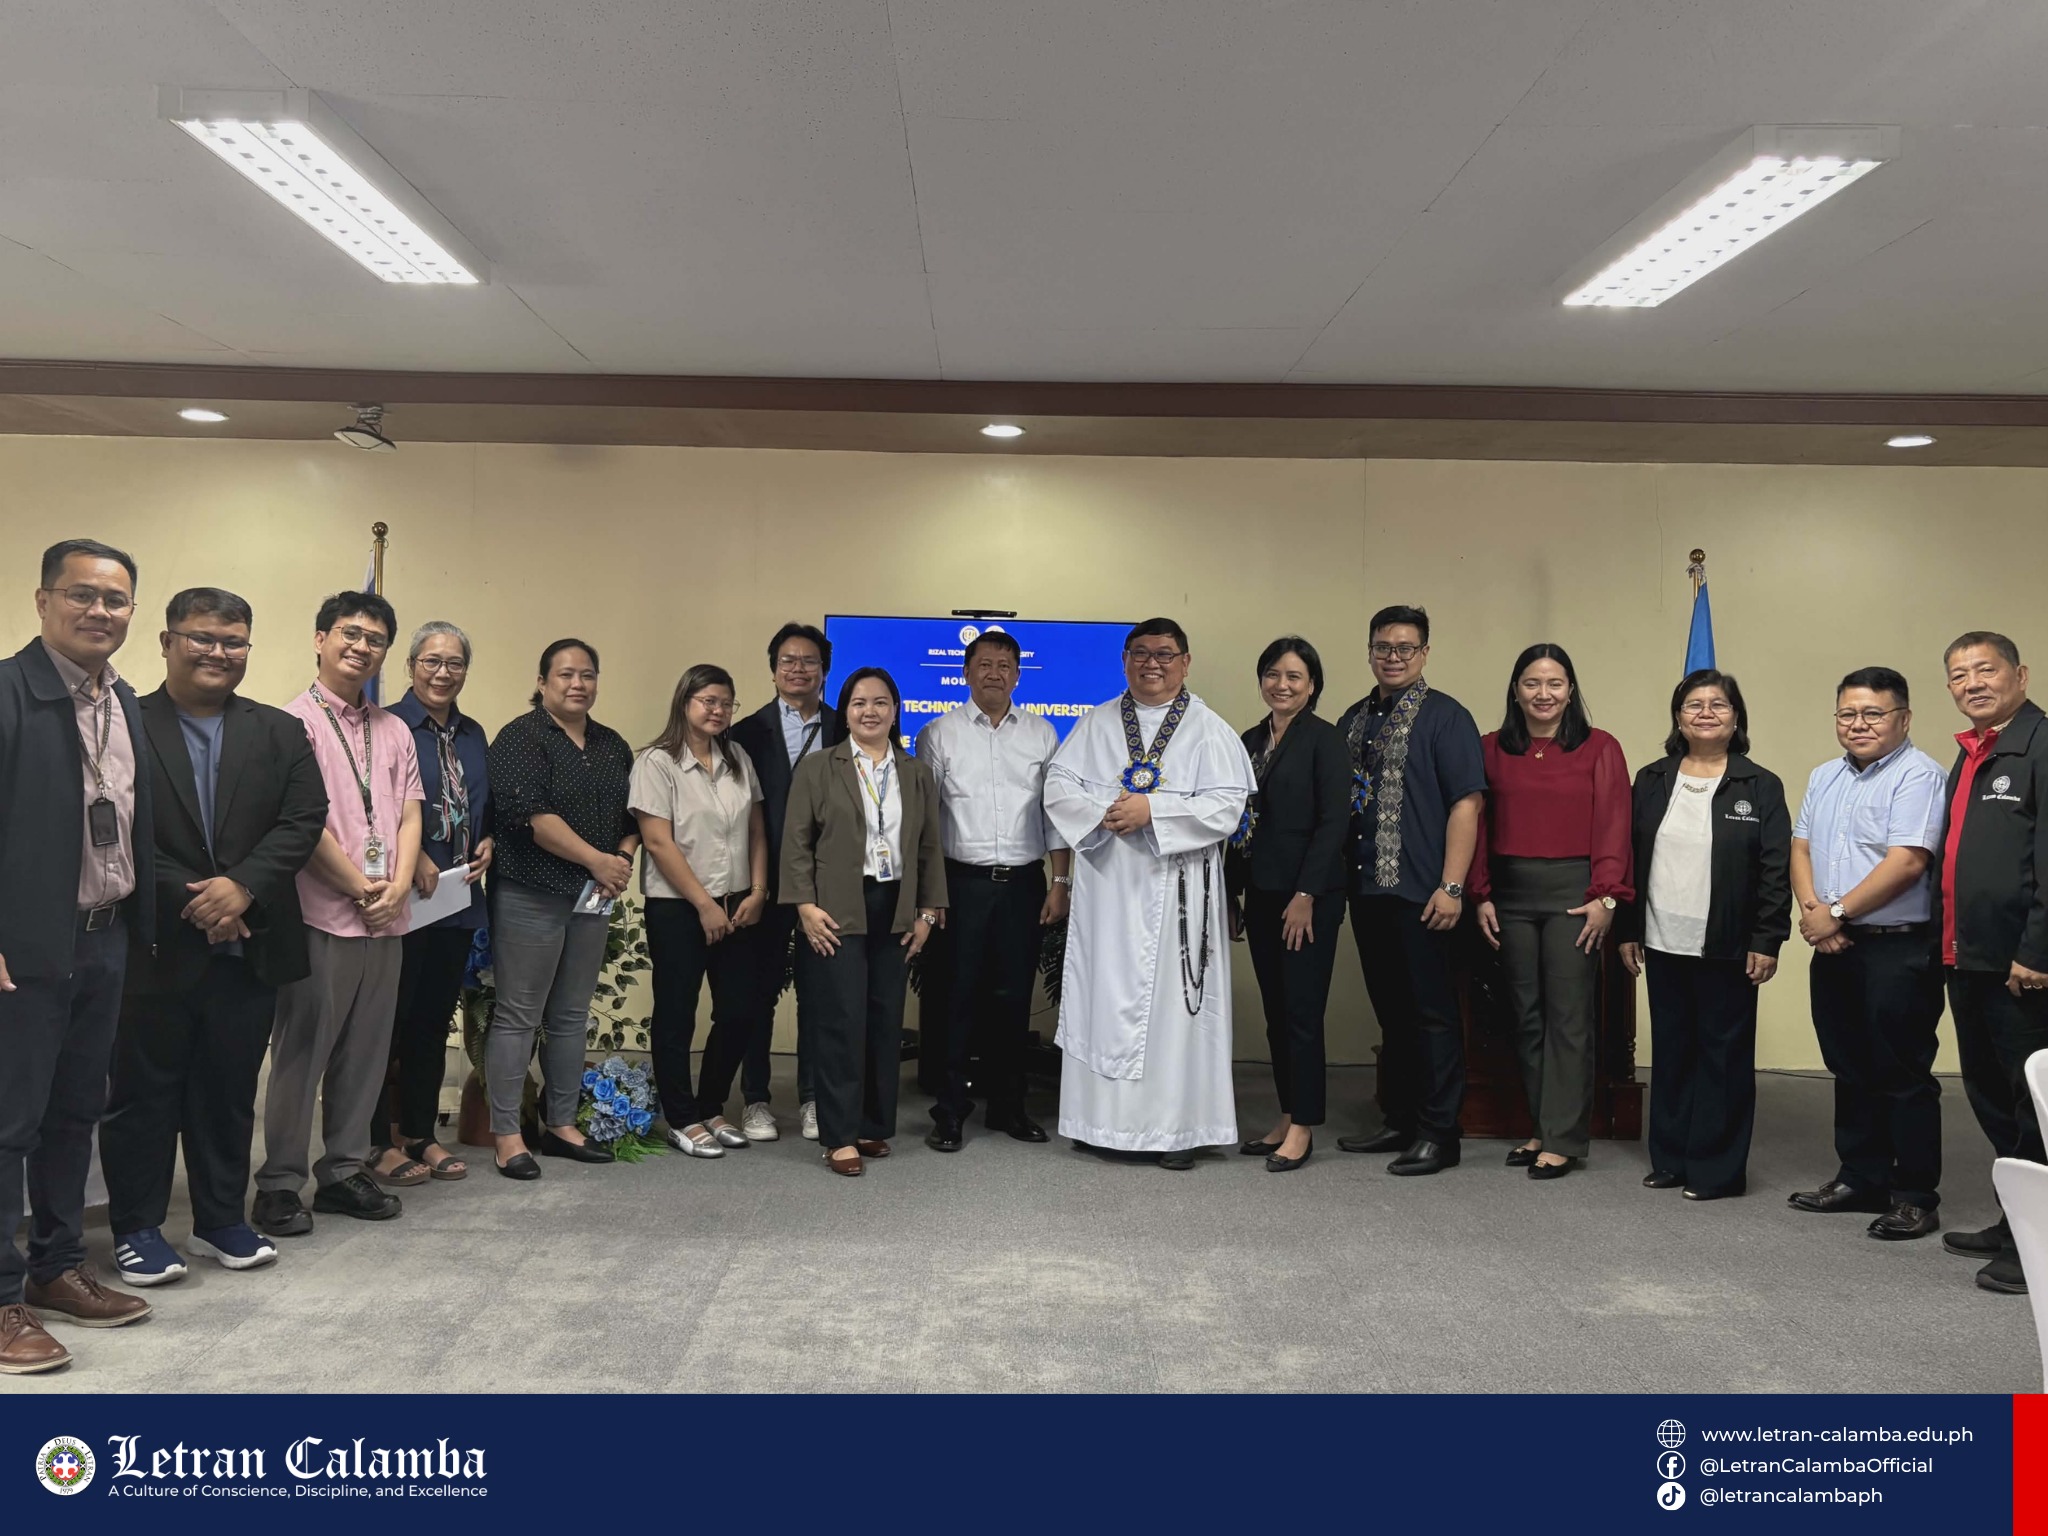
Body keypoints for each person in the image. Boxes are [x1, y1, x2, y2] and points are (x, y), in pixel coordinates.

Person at [101, 588, 327, 1286]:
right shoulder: (124, 724)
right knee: (143, 1094)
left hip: (249, 945)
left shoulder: (279, 730)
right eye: (201, 638)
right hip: (155, 943)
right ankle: (138, 1229)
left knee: (228, 1090)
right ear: (167, 642)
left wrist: (243, 887)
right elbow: (114, 825)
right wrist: (200, 897)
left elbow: (303, 817)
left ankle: (220, 1219)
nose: (217, 653)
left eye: (233, 642)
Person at [0, 539, 156, 1373]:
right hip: (23, 948)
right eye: (82, 594)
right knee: (7, 1125)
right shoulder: (8, 693)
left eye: (116, 599)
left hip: (104, 937)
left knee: (72, 1115)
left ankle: (57, 1267)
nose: (100, 611)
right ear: (42, 600)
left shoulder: (121, 701)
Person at [1045, 619, 1253, 1170]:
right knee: (1102, 996)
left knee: (1173, 1012)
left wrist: (1153, 812)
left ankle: (1177, 1130)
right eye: (1140, 653)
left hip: (1177, 887)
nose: (1151, 663)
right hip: (1109, 886)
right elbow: (1058, 787)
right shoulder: (1095, 723)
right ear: (1124, 660)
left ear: (1186, 662)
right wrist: (1107, 814)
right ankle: (1097, 1124)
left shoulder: (1209, 729)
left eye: (1164, 654)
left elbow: (1227, 807)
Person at [255, 592, 423, 1237]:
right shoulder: (289, 724)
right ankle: (279, 1183)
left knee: (367, 1051)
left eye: (375, 639)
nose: (362, 647)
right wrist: (360, 888)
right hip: (320, 913)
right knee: (303, 1052)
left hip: (388, 917)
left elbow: (409, 812)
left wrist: (398, 887)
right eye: (350, 633)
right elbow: (300, 823)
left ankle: (345, 1170)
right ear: (320, 639)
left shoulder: (395, 729)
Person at [1781, 667, 1947, 1238]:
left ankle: (1916, 1195)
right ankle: (1861, 1177)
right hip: (1833, 944)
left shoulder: (1919, 775)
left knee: (1902, 1071)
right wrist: (1815, 913)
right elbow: (1800, 847)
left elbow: (1908, 862)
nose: (1859, 724)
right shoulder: (1824, 775)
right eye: (1848, 713)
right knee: (1848, 1065)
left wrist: (1837, 912)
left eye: (1873, 713)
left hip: (1896, 948)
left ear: (1904, 717)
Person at [1617, 669, 1790, 1203]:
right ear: (1678, 717)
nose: (1706, 712)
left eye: (1719, 704)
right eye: (1695, 704)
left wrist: (1767, 938)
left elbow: (1775, 868)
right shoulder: (1651, 779)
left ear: (1736, 717)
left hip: (1729, 943)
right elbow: (1628, 856)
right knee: (1672, 1051)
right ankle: (1670, 1159)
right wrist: (1628, 927)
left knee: (1723, 1056)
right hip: (1661, 937)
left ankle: (1717, 1171)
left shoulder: (1759, 785)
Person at [1470, 643, 1632, 1181]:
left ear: (1570, 690)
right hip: (1510, 896)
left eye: (1555, 683)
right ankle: (1542, 1127)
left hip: (1574, 897)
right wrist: (1480, 893)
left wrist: (1607, 896)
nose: (1544, 693)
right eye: (1533, 683)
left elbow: (1614, 823)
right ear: (1516, 690)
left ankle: (1564, 1138)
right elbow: (1477, 824)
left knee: (1568, 1016)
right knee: (1526, 1014)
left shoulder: (1600, 747)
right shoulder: (1490, 748)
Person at [1333, 606, 1485, 1176]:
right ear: (1370, 651)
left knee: (1432, 1015)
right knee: (1391, 1014)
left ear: (1424, 653)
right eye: (1383, 647)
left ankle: (1439, 1133)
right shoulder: (1352, 718)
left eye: (1405, 648)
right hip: (1367, 889)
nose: (1392, 657)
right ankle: (1398, 1119)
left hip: (1425, 892)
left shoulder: (1447, 717)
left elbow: (1467, 803)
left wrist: (1452, 886)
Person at [781, 667, 946, 1176]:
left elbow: (928, 846)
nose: (869, 711)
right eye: (858, 703)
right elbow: (796, 842)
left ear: (895, 711)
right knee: (841, 1019)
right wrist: (804, 906)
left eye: (879, 702)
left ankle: (871, 1125)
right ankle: (838, 1135)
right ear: (846, 711)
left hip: (896, 906)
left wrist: (927, 912)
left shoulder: (916, 772)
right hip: (835, 908)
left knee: (883, 1018)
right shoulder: (818, 767)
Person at [485, 638, 638, 1180]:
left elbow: (632, 817)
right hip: (531, 892)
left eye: (587, 674)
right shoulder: (520, 737)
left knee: (572, 1015)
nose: (578, 684)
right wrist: (598, 861)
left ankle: (562, 1125)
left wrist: (621, 860)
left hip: (593, 898)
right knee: (518, 1016)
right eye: (566, 674)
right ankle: (507, 1134)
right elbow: (533, 816)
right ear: (543, 681)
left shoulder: (611, 743)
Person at [915, 629, 1071, 1152]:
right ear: (966, 672)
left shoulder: (1042, 734)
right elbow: (927, 823)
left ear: (1018, 675)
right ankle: (949, 1113)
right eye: (984, 664)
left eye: (1005, 666)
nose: (994, 674)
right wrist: (931, 895)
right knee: (955, 999)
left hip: (1023, 885)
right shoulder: (938, 733)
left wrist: (1060, 882)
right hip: (961, 884)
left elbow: (1054, 815)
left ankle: (1009, 1108)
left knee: (1012, 999)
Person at [1936, 631, 2048, 1296]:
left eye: (1986, 669)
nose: (1972, 683)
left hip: (2020, 964)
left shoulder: (2041, 745)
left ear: (2020, 675)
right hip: (1969, 956)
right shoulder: (1975, 750)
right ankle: (2017, 1224)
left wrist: (2038, 950)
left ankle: (2038, 1246)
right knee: (1989, 1095)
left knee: (2032, 1105)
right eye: (1959, 674)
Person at [632, 664, 769, 1158]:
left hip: (738, 905)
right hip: (678, 908)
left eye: (726, 702)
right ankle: (681, 1117)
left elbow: (756, 829)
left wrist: (758, 890)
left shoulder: (738, 757)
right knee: (677, 1014)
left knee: (739, 1011)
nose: (718, 710)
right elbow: (657, 842)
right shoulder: (656, 762)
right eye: (708, 700)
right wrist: (705, 905)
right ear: (685, 702)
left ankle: (711, 1106)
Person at [374, 622, 494, 1186]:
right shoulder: (385, 725)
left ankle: (419, 1133)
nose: (443, 673)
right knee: (388, 1022)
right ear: (411, 666)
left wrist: (488, 839)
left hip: (456, 897)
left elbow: (478, 803)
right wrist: (413, 854)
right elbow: (373, 807)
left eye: (454, 663)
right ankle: (376, 1139)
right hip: (404, 895)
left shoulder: (473, 733)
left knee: (431, 1020)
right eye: (431, 661)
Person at [1226, 637, 1350, 1172]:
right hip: (1261, 893)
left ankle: (1304, 1127)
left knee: (1301, 1012)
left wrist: (1306, 895)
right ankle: (1285, 1115)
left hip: (1308, 899)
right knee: (1276, 1014)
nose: (1282, 684)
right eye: (1273, 674)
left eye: (1294, 676)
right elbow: (1235, 821)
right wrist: (1231, 892)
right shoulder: (1250, 740)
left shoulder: (1326, 740)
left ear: (1312, 685)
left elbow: (1334, 823)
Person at [730, 623, 847, 1143]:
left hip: (830, 885)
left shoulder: (846, 726)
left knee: (819, 995)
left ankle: (813, 1097)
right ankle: (755, 1098)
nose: (798, 669)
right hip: (766, 881)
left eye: (809, 661)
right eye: (787, 661)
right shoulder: (745, 732)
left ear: (825, 670)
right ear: (773, 669)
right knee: (758, 992)